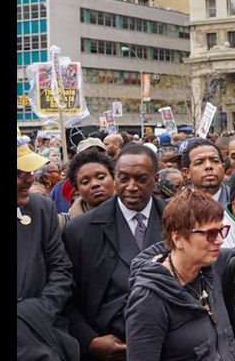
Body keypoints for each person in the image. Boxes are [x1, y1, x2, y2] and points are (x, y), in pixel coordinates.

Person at [63, 144, 166, 360]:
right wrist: (89, 341)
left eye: (141, 179)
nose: (131, 187)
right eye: (123, 178)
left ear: (155, 179)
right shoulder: (79, 231)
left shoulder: (176, 220)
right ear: (115, 178)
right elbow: (66, 297)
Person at [125, 190, 235, 361]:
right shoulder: (149, 299)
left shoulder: (212, 265)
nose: (220, 240)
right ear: (178, 238)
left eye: (222, 231)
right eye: (210, 234)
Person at [17, 127, 80, 360]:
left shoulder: (41, 209)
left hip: (41, 334)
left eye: (29, 171)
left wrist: (37, 311)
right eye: (19, 173)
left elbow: (61, 270)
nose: (29, 179)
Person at [65, 148, 117, 220]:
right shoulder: (68, 224)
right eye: (85, 182)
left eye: (101, 177)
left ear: (113, 178)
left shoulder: (133, 213)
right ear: (77, 188)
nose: (94, 184)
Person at [182, 138, 230, 206]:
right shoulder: (173, 209)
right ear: (187, 172)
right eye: (199, 163)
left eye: (215, 161)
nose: (209, 166)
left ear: (223, 168)